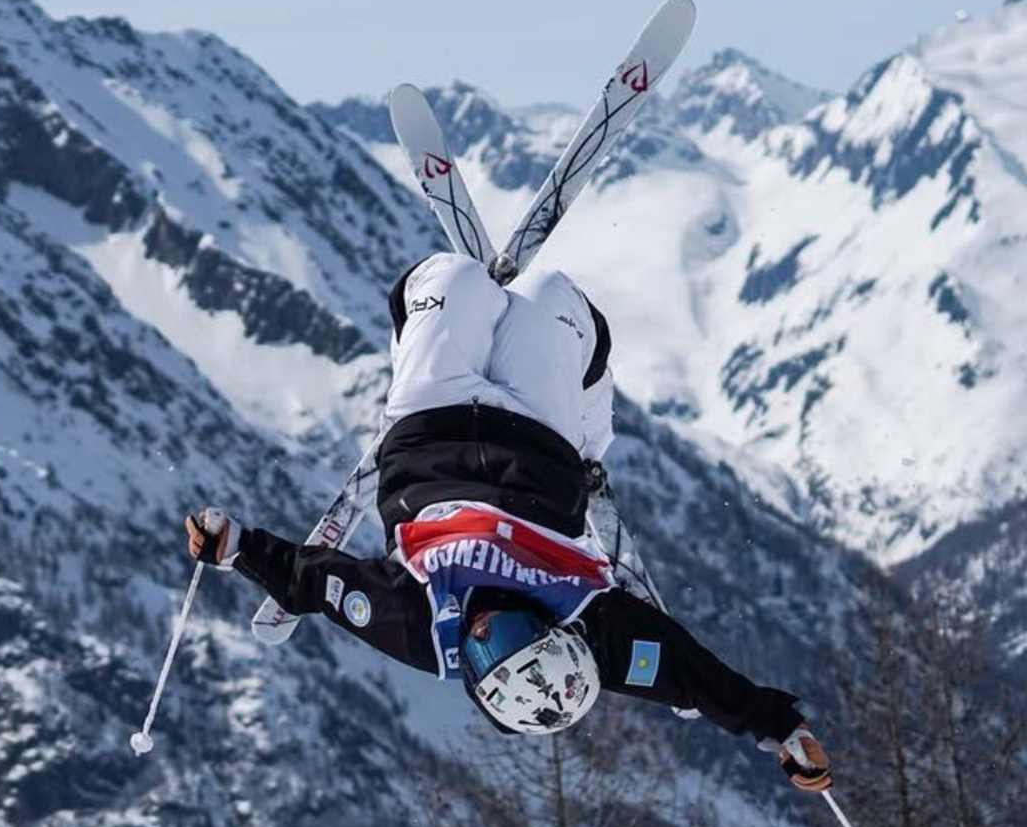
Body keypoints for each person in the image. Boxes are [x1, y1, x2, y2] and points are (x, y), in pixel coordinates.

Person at [184, 252, 830, 791]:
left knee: (442, 280)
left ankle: (461, 311)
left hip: (427, 425)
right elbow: (691, 675)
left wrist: (234, 547)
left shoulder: (419, 629)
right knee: (557, 298)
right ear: (551, 632)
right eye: (512, 635)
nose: (486, 628)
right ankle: (588, 432)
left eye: (483, 652)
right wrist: (781, 729)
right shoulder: (595, 633)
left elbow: (315, 583)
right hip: (539, 436)